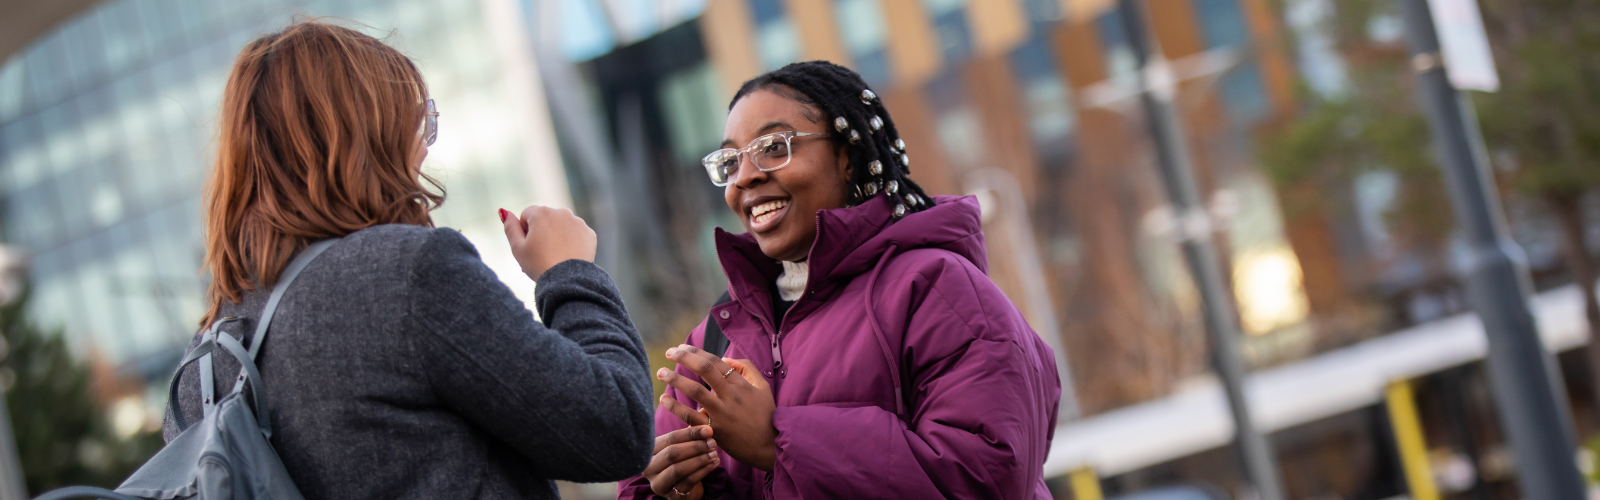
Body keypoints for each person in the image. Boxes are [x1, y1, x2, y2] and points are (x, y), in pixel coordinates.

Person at [165, 21, 654, 499]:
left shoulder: (201, 368)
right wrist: (567, 274)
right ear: (369, 135)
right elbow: (618, 428)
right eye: (416, 122)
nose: (423, 148)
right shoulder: (405, 276)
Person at [618, 61, 1061, 500]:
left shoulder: (936, 289)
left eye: (774, 147)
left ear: (847, 158)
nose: (746, 176)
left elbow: (990, 476)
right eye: (731, 162)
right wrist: (683, 490)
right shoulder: (717, 336)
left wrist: (778, 443)